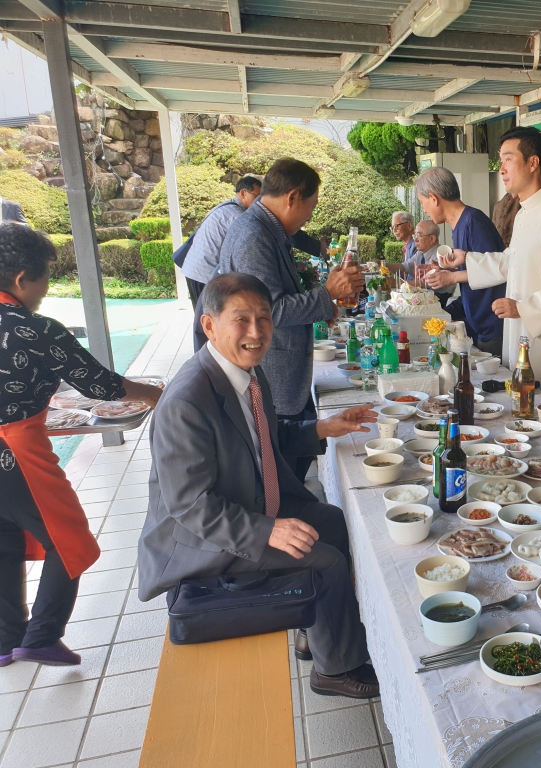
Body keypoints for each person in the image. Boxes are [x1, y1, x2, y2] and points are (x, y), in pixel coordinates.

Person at [138, 272, 380, 698]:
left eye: (264, 317)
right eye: (241, 319)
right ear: (209, 325)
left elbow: (264, 438)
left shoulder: (244, 372)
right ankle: (335, 669)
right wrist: (270, 530)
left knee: (332, 520)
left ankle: (318, 628)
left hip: (245, 505)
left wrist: (324, 427)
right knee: (323, 560)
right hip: (201, 541)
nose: (256, 332)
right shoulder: (186, 402)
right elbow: (191, 506)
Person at [0, 224, 162, 667]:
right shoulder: (37, 329)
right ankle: (41, 636)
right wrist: (153, 394)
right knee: (68, 539)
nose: (45, 289)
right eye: (44, 279)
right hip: (17, 454)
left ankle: (5, 638)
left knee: (4, 543)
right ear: (21, 280)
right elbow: (102, 385)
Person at [216, 158, 364, 483]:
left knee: (293, 467)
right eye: (311, 206)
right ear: (293, 197)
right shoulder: (253, 235)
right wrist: (326, 294)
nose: (311, 215)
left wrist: (323, 303)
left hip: (282, 382)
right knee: (280, 479)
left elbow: (278, 292)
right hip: (272, 381)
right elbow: (271, 311)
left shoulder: (267, 228)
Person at [438, 126, 541, 391]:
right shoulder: (525, 213)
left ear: (533, 163)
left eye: (508, 159)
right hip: (520, 331)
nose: (502, 168)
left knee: (538, 403)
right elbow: (511, 263)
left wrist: (523, 308)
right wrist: (467, 257)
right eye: (501, 160)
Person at [418, 166, 507, 357]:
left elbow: (496, 271)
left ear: (433, 198)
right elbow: (473, 270)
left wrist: (450, 278)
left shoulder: (473, 221)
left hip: (493, 326)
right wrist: (444, 270)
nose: (424, 210)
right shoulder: (458, 224)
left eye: (422, 202)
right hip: (478, 324)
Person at [181, 174, 263, 310]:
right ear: (243, 193)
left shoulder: (224, 207)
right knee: (210, 317)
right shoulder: (237, 216)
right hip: (203, 273)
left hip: (195, 269)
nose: (259, 202)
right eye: (257, 197)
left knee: (205, 316)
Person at [403, 220, 456, 310]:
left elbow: (426, 283)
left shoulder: (441, 254)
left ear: (432, 239)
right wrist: (383, 265)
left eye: (419, 235)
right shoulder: (420, 253)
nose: (415, 239)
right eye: (415, 235)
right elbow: (404, 266)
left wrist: (402, 284)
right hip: (424, 301)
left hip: (438, 303)